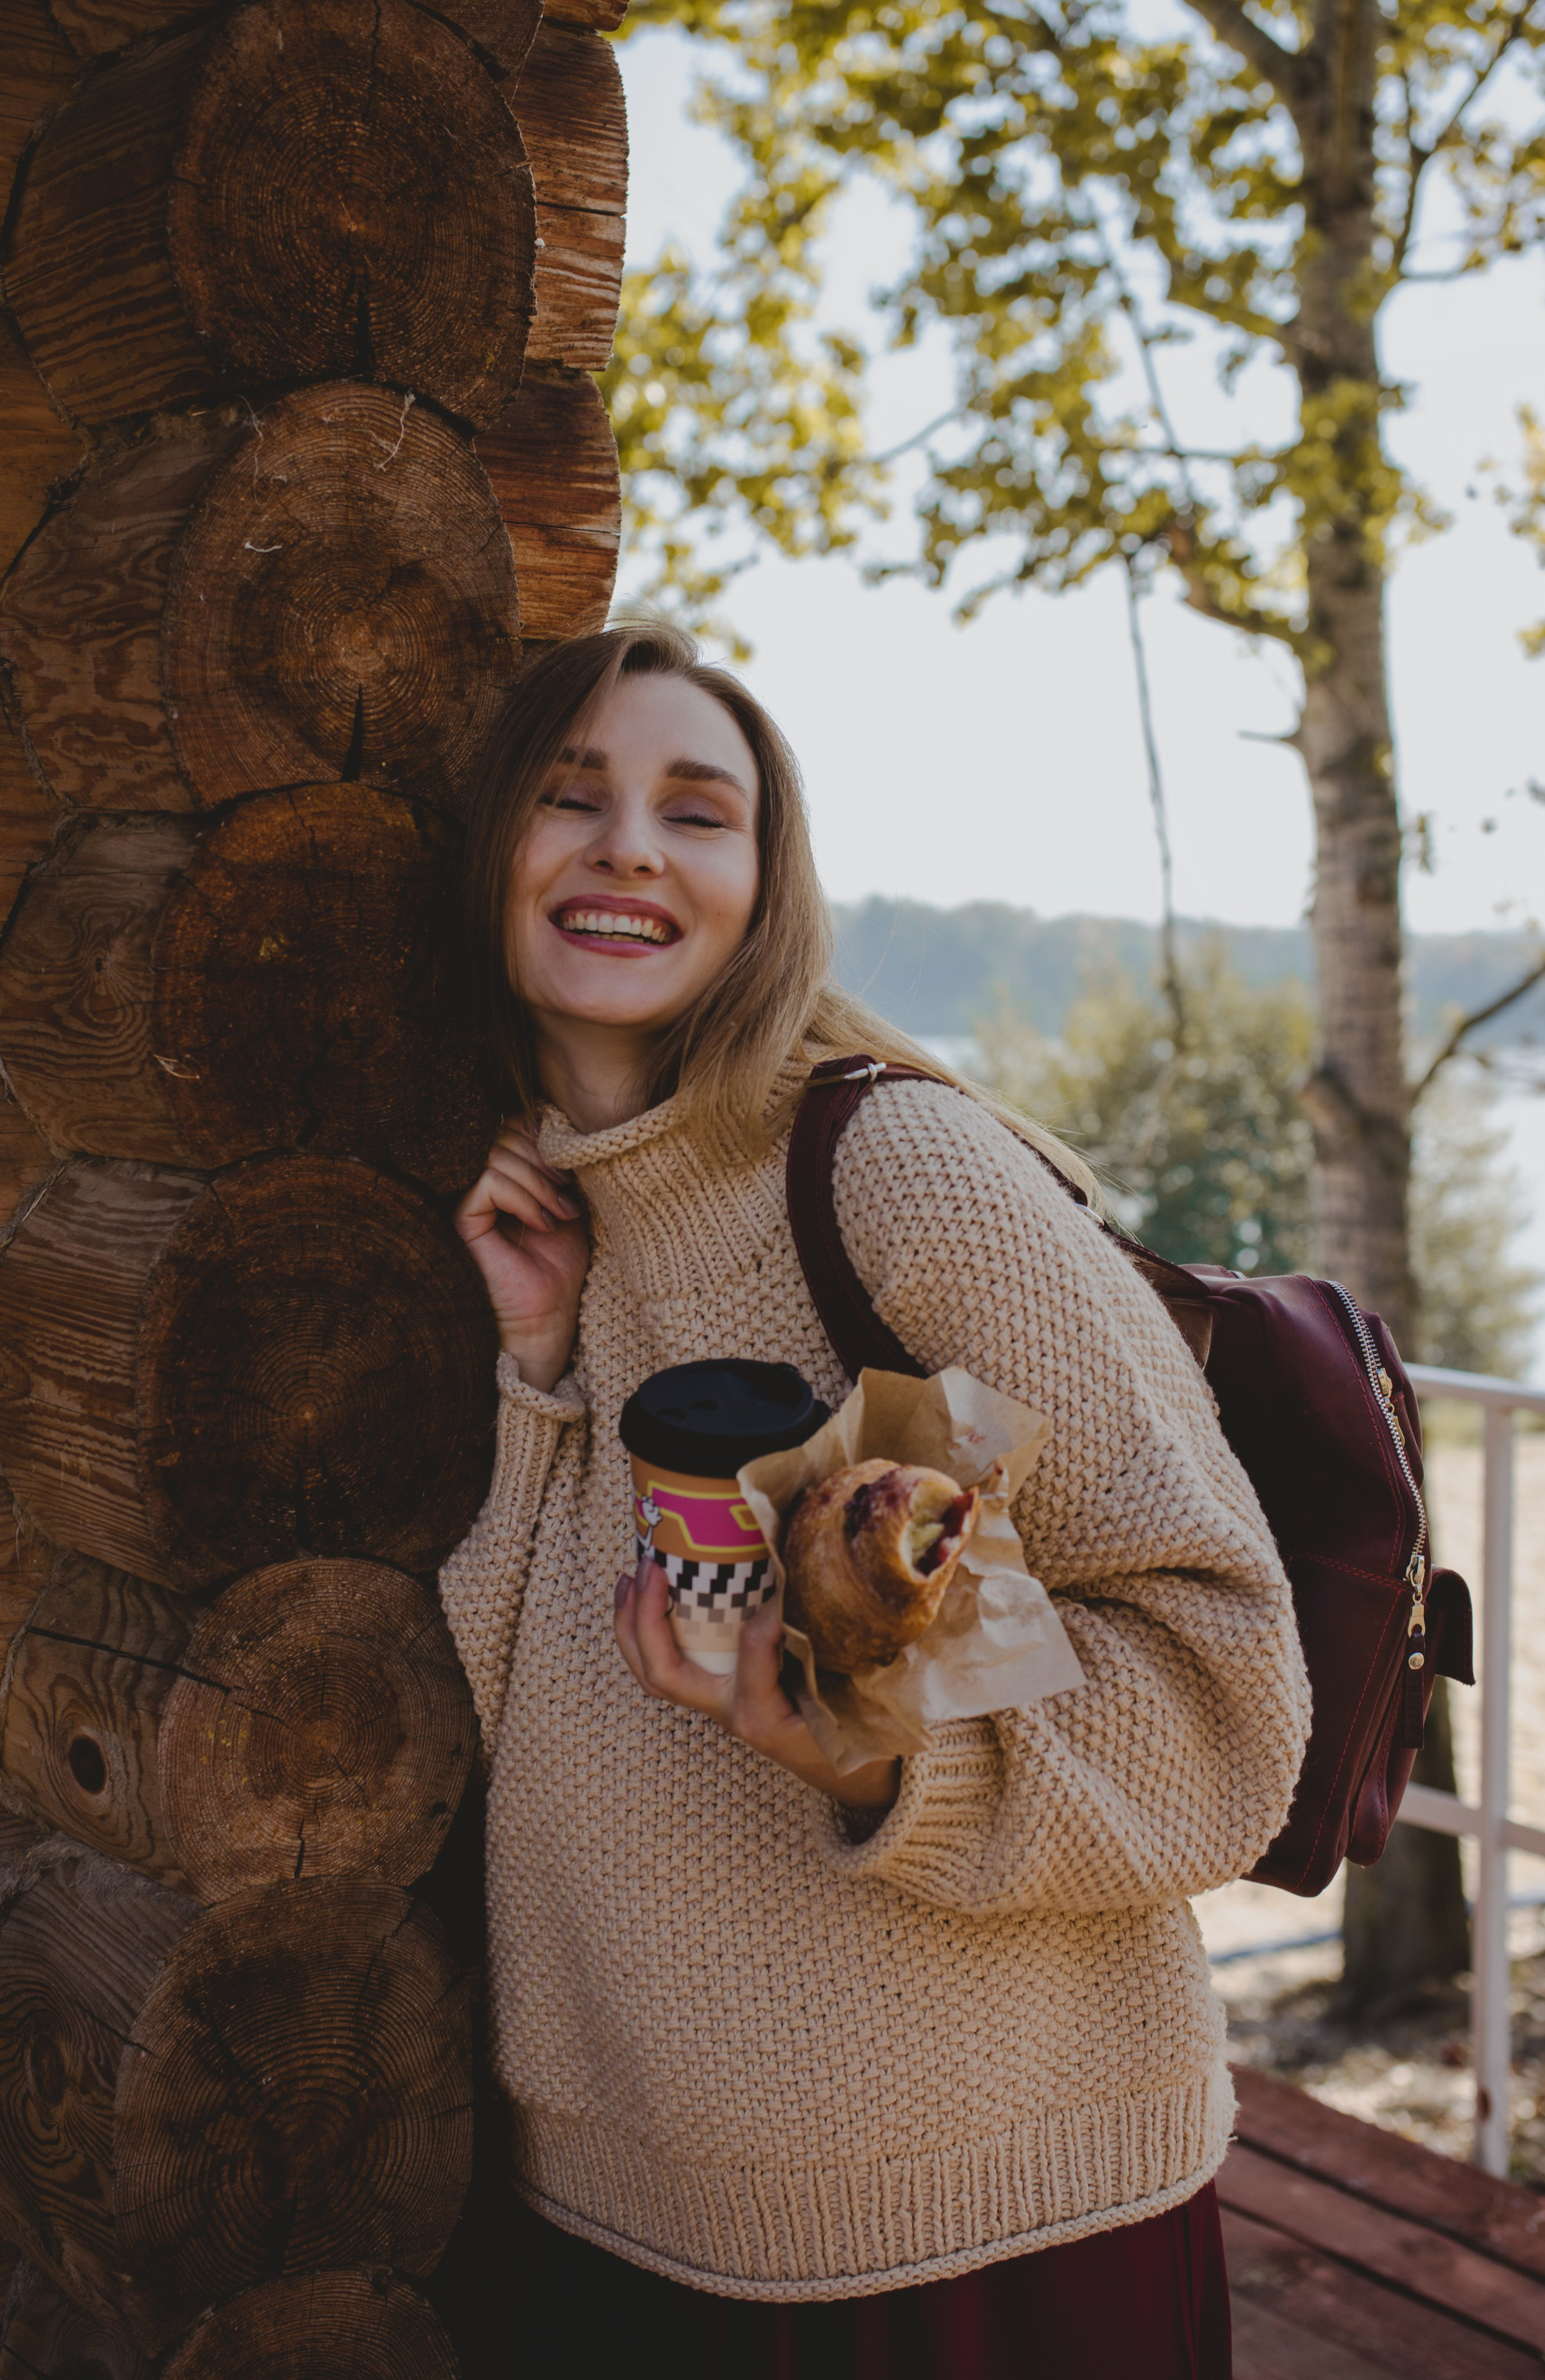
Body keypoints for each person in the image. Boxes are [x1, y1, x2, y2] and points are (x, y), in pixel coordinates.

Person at [441, 617, 1309, 2377]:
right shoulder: (545, 1223)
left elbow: (1221, 1689)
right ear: (491, 850)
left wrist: (867, 1740)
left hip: (976, 2233)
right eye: (571, 795)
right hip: (614, 2220)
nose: (629, 846)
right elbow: (488, 1720)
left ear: (765, 889)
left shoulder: (896, 1172)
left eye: (698, 811)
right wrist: (537, 1370)